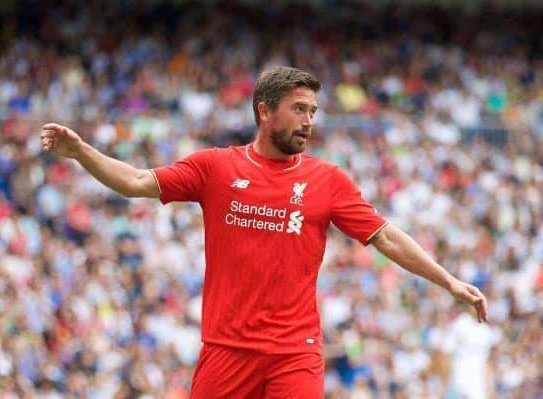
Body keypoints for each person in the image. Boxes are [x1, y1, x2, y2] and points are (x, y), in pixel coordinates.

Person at [41, 66, 488, 398]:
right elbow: (137, 181)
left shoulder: (327, 179)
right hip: (226, 349)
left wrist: (448, 281)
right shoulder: (214, 167)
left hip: (295, 352)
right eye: (298, 109)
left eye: (312, 111)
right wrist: (81, 151)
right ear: (265, 111)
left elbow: (386, 236)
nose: (309, 121)